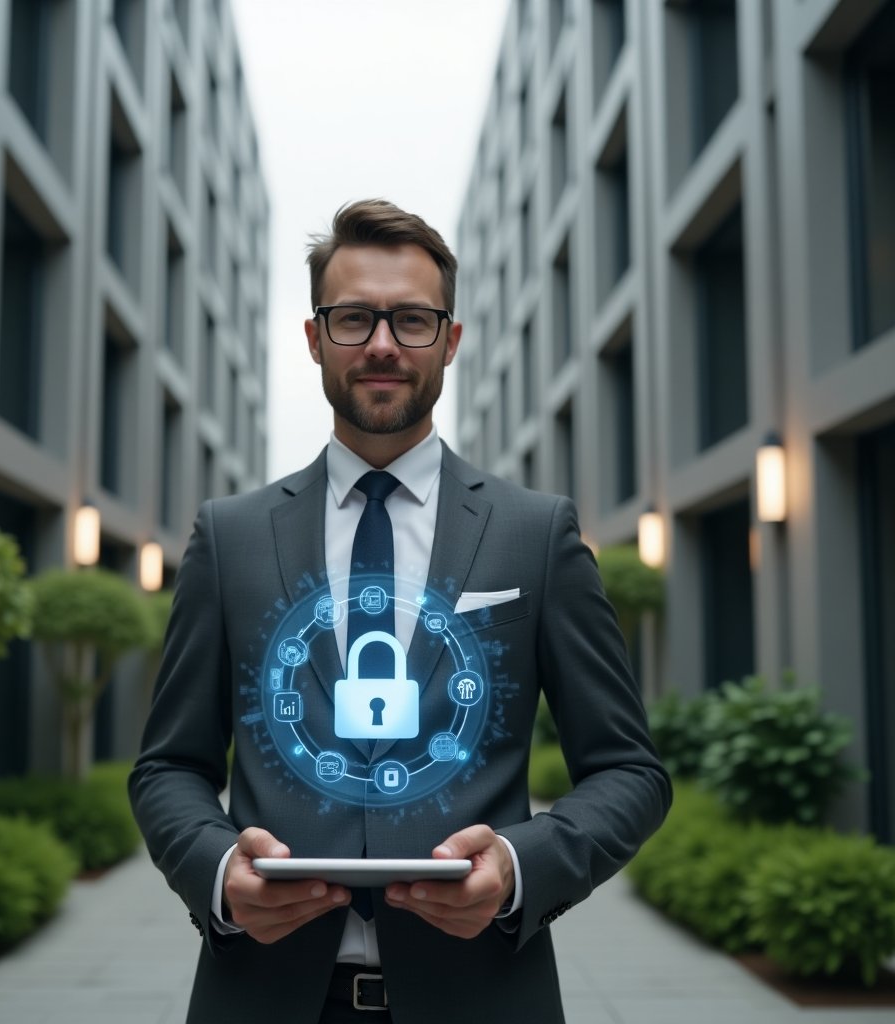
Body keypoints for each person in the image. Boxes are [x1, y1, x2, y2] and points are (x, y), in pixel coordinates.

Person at [129, 199, 671, 1024]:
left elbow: (630, 772)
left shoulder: (537, 533)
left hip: (485, 994)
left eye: (411, 320)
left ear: (449, 340)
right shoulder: (229, 537)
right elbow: (168, 765)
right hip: (263, 997)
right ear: (315, 338)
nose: (383, 344)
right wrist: (217, 875)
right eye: (354, 319)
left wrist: (520, 870)